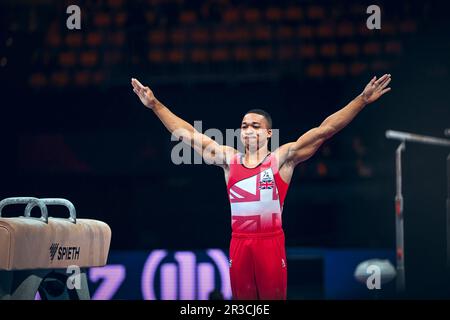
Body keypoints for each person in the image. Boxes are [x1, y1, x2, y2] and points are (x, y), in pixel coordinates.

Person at [130, 74, 392, 300]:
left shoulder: (281, 160)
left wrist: (361, 100)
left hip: (270, 243)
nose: (248, 130)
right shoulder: (228, 161)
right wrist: (155, 105)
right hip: (240, 244)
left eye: (256, 126)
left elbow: (325, 130)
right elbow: (187, 134)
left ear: (269, 133)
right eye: (244, 126)